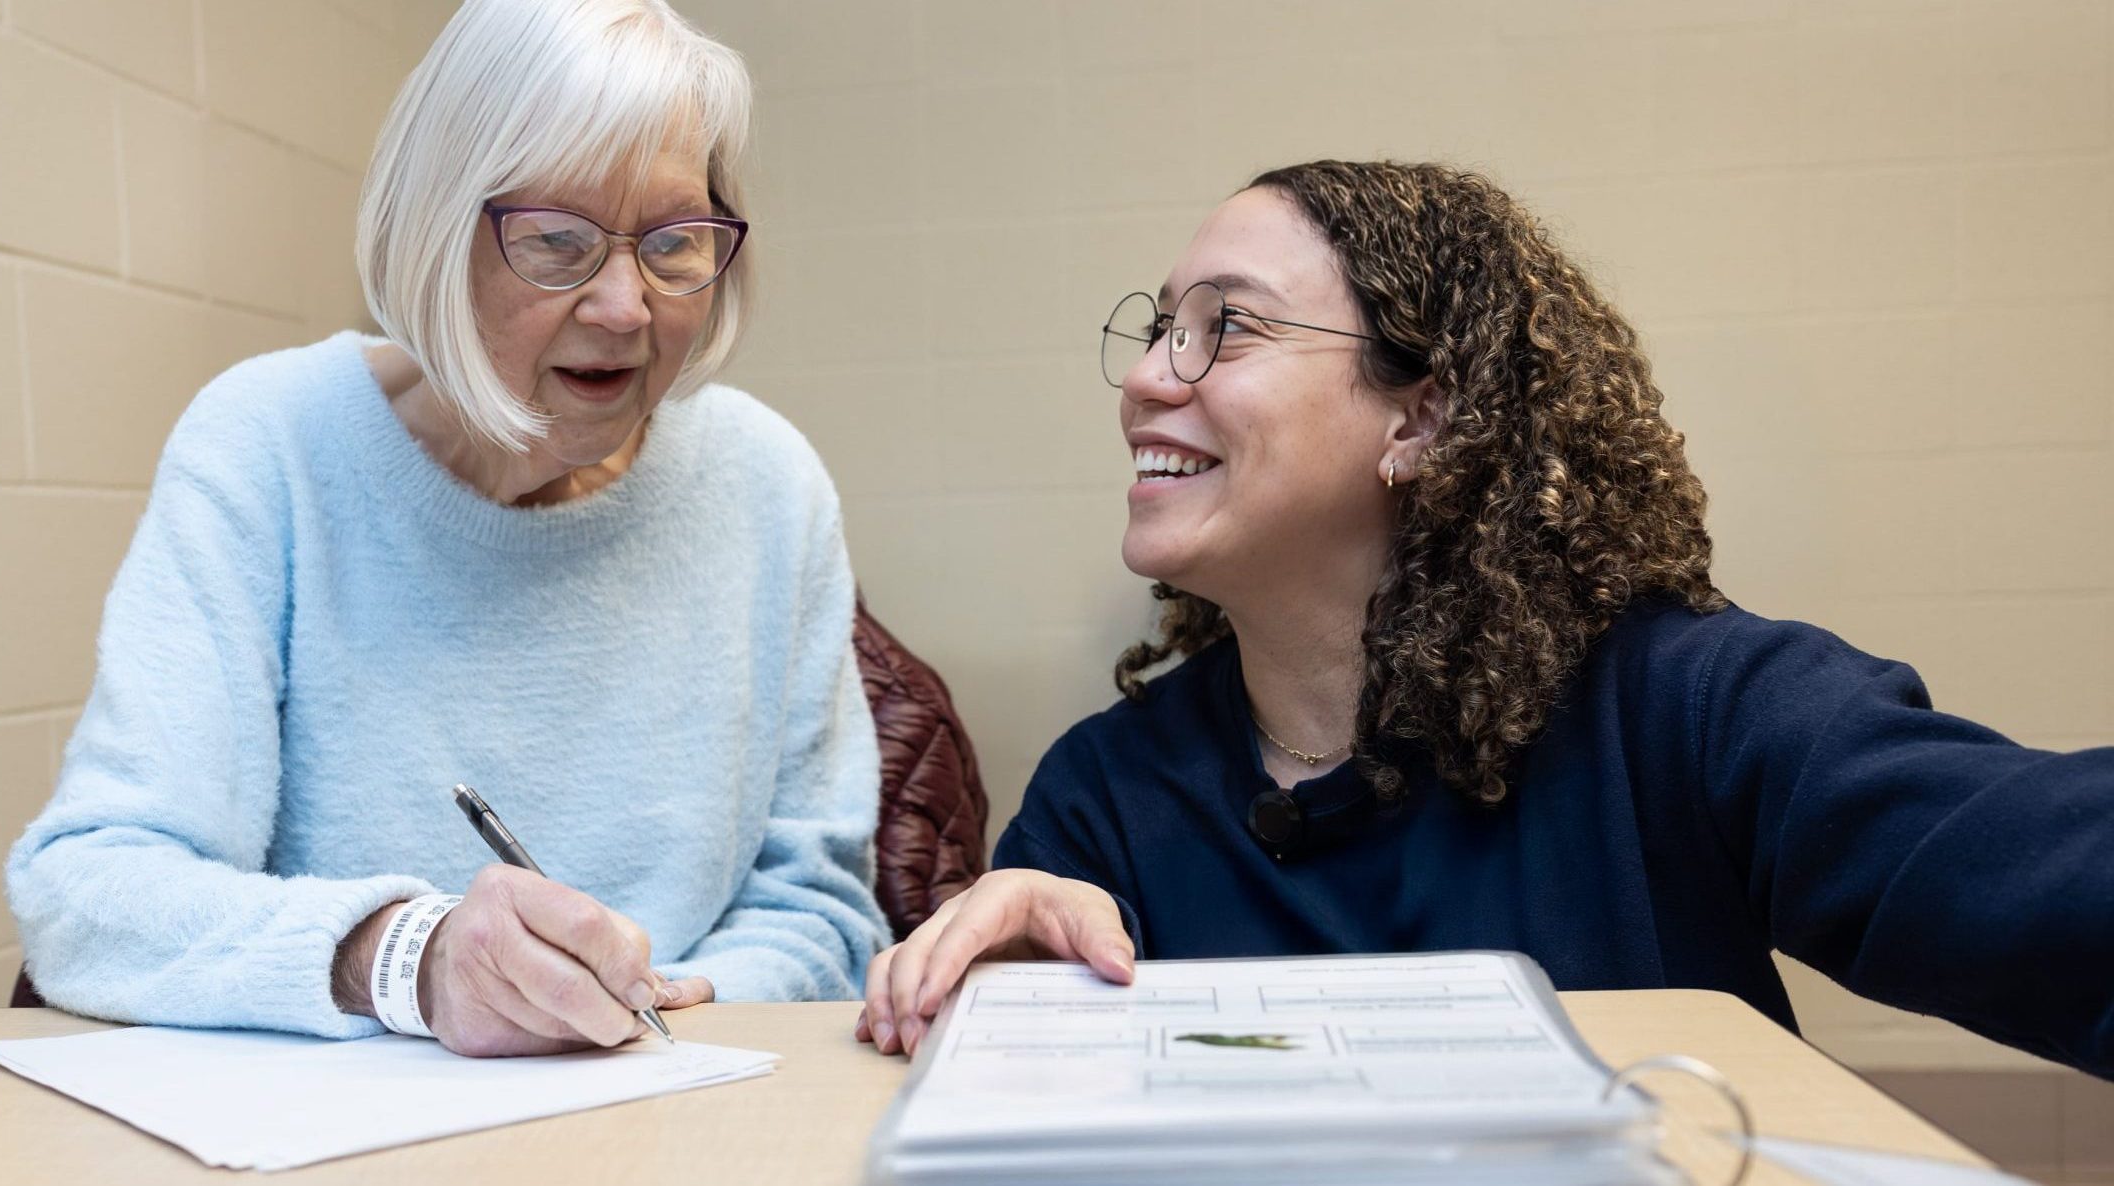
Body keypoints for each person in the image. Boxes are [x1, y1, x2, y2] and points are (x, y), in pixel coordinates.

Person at [855, 160, 2114, 1078]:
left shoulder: (1686, 712)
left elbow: (2050, 877)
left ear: (1420, 420)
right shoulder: (1104, 799)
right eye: (1155, 332)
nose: (1142, 382)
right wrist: (1008, 1015)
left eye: (1222, 329)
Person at [7, 0, 888, 1057]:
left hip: (685, 1098)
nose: (625, 305)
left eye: (673, 244)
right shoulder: (269, 445)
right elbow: (91, 892)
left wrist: (645, 1014)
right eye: (558, 242)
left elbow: (823, 911)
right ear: (433, 226)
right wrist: (407, 959)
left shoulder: (768, 481)